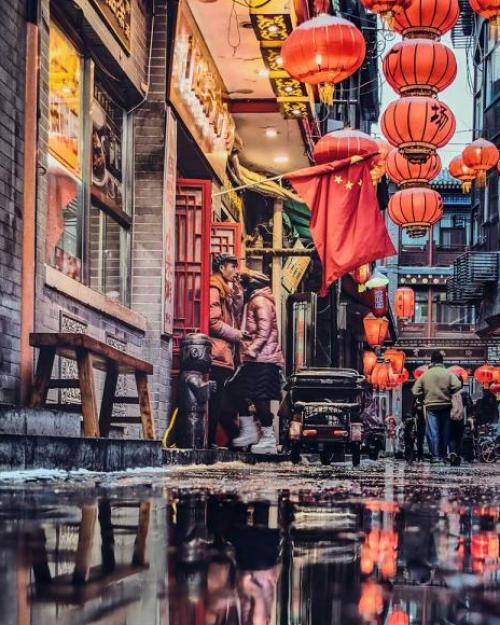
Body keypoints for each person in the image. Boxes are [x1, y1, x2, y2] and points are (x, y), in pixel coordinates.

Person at [228, 274, 284, 454]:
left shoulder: (260, 300)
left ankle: (267, 439)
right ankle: (251, 432)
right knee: (238, 390)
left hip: (262, 359)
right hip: (257, 359)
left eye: (242, 287)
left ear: (250, 287)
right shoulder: (256, 300)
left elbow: (265, 329)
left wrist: (252, 349)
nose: (241, 290)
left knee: (260, 398)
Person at [208, 254, 246, 448]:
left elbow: (236, 313)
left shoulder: (227, 288)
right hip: (217, 351)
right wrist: (237, 335)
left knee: (222, 397)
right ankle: (212, 439)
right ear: (222, 267)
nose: (235, 270)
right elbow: (213, 322)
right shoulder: (214, 287)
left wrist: (238, 292)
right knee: (217, 399)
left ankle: (226, 438)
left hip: (225, 352)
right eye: (233, 266)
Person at [412, 351, 461, 464]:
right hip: (445, 405)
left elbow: (415, 390)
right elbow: (458, 385)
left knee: (433, 432)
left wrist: (423, 394)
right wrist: (449, 391)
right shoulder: (448, 373)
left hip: (431, 407)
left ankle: (435, 456)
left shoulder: (426, 374)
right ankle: (444, 455)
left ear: (431, 361)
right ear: (442, 361)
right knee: (445, 432)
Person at [449, 374, 473, 466]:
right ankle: (458, 455)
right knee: (459, 438)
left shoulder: (448, 393)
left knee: (451, 437)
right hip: (461, 419)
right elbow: (470, 407)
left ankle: (452, 452)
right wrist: (470, 418)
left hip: (450, 419)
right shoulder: (464, 393)